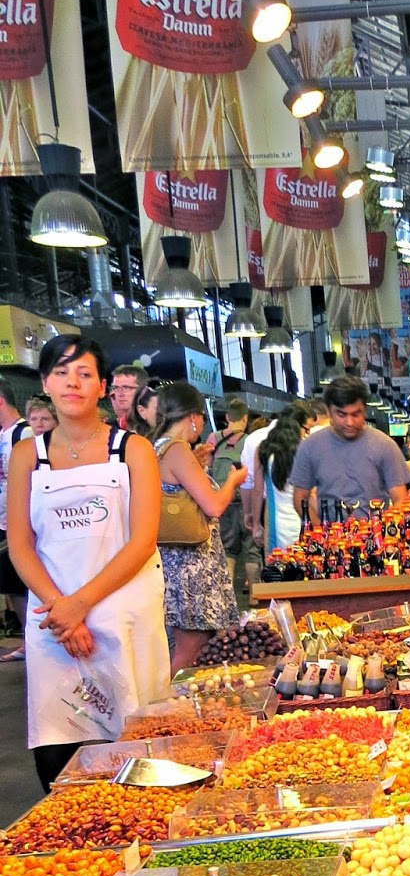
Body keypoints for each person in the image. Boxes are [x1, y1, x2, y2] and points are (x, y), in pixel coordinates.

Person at [6, 337, 171, 790]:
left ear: (101, 386)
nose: (72, 383)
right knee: (63, 753)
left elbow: (142, 541)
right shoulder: (26, 456)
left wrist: (81, 604)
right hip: (54, 622)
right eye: (61, 373)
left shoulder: (132, 450)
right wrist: (62, 608)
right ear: (45, 384)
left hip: (122, 615)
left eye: (83, 374)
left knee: (138, 742)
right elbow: (21, 544)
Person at [152, 382, 244, 674]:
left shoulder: (158, 448)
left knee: (190, 646)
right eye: (201, 418)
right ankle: (165, 712)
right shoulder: (177, 450)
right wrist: (233, 480)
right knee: (190, 649)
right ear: (194, 417)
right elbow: (214, 505)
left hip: (175, 563)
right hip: (190, 568)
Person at [292, 376, 410, 524]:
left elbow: (400, 499)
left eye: (356, 414)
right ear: (329, 411)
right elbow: (300, 498)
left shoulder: (385, 445)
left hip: (376, 539)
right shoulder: (310, 447)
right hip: (330, 539)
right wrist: (321, 533)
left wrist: (385, 531)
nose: (349, 422)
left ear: (365, 411)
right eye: (341, 414)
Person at [210, 397, 257, 592]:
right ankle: (256, 595)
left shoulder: (213, 438)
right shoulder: (249, 441)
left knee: (228, 549)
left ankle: (228, 596)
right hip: (246, 500)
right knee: (252, 550)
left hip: (223, 500)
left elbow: (207, 468)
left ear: (228, 417)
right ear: (245, 419)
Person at [0, 379, 30, 642]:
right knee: (10, 584)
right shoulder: (4, 434)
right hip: (4, 521)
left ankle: (30, 637)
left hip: (20, 523)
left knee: (21, 585)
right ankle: (26, 638)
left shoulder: (24, 434)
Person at [258, 414, 309, 553]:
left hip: (276, 522)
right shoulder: (303, 456)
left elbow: (259, 490)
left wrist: (255, 520)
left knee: (276, 565)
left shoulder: (268, 456)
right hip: (300, 519)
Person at [108, 364, 148, 430]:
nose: (120, 394)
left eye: (126, 387)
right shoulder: (109, 428)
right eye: (116, 387)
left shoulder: (155, 425)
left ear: (143, 390)